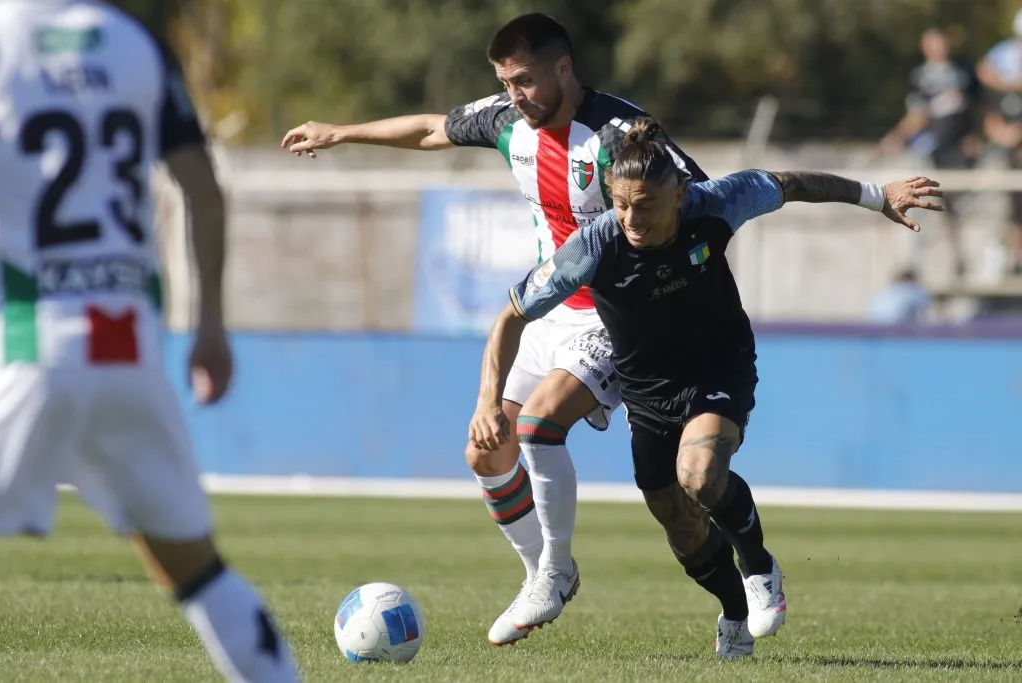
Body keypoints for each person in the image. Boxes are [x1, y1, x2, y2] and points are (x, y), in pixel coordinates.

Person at [281, 13, 781, 649]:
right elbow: (432, 128)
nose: (513, 94)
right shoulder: (507, 122)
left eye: (523, 81)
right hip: (550, 310)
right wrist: (340, 133)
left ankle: (559, 571)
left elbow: (694, 199)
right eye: (505, 83)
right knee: (487, 451)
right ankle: (546, 571)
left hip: (612, 317)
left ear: (564, 69)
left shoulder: (618, 132)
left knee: (540, 425)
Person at [469, 118, 942, 657]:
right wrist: (489, 401)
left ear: (678, 194)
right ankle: (734, 610)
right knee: (680, 525)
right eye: (620, 205)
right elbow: (512, 314)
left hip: (718, 369)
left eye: (645, 205)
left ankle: (759, 568)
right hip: (646, 392)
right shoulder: (593, 246)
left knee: (698, 474)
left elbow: (791, 184)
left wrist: (877, 195)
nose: (631, 219)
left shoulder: (714, 204)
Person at [0, 2, 300, 681]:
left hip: (32, 345)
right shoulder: (132, 43)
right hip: (131, 350)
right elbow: (203, 189)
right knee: (197, 571)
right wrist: (211, 325)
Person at [880, 27, 979, 279]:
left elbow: (978, 108)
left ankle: (960, 262)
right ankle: (912, 266)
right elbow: (917, 114)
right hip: (928, 153)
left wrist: (975, 135)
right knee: (919, 206)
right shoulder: (920, 77)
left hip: (957, 153)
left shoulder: (965, 71)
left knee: (958, 210)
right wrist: (897, 136)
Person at [978, 10, 1022, 276]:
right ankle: (1001, 259)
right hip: (1003, 160)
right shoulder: (1002, 91)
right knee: (1004, 210)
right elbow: (992, 122)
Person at [866, 268, 933, 324]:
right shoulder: (912, 289)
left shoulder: (887, 290)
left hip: (872, 326)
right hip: (895, 328)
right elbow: (927, 301)